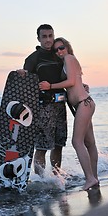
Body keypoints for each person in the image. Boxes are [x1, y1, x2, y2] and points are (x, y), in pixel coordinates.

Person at [39, 37, 99, 190]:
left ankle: (90, 178)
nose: (59, 51)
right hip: (84, 104)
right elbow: (77, 81)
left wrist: (50, 85)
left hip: (83, 104)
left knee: (76, 142)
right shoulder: (67, 61)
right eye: (56, 50)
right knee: (89, 143)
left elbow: (71, 81)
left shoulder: (69, 58)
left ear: (67, 47)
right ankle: (94, 177)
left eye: (61, 47)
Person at [23, 24, 68, 176]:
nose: (48, 40)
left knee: (58, 145)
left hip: (60, 105)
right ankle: (41, 181)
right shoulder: (33, 58)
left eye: (50, 36)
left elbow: (67, 77)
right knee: (41, 147)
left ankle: (56, 178)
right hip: (42, 107)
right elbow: (26, 85)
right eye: (44, 37)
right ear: (38, 38)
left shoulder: (58, 55)